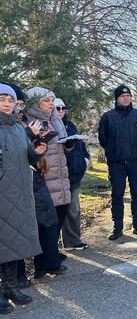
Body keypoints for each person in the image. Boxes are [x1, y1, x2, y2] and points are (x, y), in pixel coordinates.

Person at [0, 84, 46, 314]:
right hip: (2, 192)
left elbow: (27, 154)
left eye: (11, 100)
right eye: (2, 99)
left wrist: (38, 151)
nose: (8, 104)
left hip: (19, 190)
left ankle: (9, 286)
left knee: (12, 242)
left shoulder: (18, 128)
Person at [98, 85, 137, 240]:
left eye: (128, 95)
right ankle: (117, 227)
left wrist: (136, 146)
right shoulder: (108, 117)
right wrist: (114, 150)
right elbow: (103, 138)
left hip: (136, 162)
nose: (126, 98)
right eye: (122, 96)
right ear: (117, 98)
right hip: (117, 163)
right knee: (117, 194)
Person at [25, 87, 72, 245]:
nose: (51, 104)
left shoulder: (54, 119)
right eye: (46, 100)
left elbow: (61, 143)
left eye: (52, 100)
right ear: (36, 103)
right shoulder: (29, 121)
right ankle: (48, 256)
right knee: (48, 218)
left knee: (61, 211)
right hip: (46, 173)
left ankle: (54, 251)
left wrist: (69, 143)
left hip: (60, 173)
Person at [55, 98, 90, 251]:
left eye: (63, 108)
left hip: (75, 175)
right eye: (57, 108)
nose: (61, 111)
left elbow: (80, 144)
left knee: (74, 209)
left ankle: (72, 241)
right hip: (58, 176)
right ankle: (52, 248)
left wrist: (86, 159)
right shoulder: (50, 126)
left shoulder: (70, 125)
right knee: (58, 211)